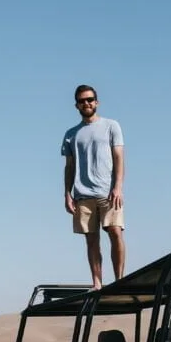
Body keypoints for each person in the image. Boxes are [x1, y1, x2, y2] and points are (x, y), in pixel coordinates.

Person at [61, 84, 125, 289]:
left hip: (108, 192)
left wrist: (117, 187)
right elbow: (69, 167)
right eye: (82, 101)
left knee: (115, 232)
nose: (86, 103)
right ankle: (97, 282)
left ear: (96, 102)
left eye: (89, 99)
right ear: (76, 105)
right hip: (83, 194)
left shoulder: (111, 126)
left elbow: (119, 158)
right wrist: (67, 194)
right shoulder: (71, 134)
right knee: (91, 239)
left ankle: (119, 280)